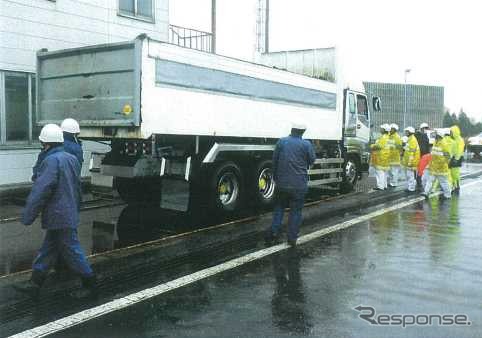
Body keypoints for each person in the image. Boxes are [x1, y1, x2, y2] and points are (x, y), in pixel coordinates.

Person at [13, 124, 96, 299]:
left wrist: (29, 214)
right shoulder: (70, 158)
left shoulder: (51, 161)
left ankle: (90, 283)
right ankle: (35, 283)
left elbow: (41, 190)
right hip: (67, 211)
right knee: (49, 249)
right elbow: (77, 187)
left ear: (46, 144)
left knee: (72, 250)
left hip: (59, 214)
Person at [266, 123, 316, 247]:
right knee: (296, 212)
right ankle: (292, 238)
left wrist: (275, 178)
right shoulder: (306, 144)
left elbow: (274, 161)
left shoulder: (281, 142)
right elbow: (312, 160)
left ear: (291, 130)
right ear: (302, 132)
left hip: (282, 184)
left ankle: (273, 232)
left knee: (279, 208)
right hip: (299, 185)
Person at [422, 129, 452, 200]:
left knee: (443, 182)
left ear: (439, 136)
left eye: (436, 135)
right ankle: (426, 193)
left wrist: (442, 164)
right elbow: (433, 154)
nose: (435, 136)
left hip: (441, 167)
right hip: (434, 166)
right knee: (430, 180)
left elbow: (447, 156)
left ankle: (448, 195)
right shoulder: (436, 142)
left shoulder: (444, 144)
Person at [370, 124, 391, 190]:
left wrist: (372, 146)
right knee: (384, 172)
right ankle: (384, 186)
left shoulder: (383, 138)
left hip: (381, 156)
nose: (380, 129)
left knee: (379, 172)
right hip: (386, 157)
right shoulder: (388, 137)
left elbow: (378, 146)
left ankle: (380, 186)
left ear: (384, 130)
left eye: (381, 128)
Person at [402, 127, 420, 192]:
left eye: (407, 131)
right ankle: (410, 187)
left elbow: (412, 152)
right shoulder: (410, 139)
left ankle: (411, 188)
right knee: (409, 175)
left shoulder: (412, 140)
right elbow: (408, 150)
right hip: (409, 160)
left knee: (410, 175)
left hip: (411, 161)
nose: (406, 132)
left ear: (410, 132)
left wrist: (410, 162)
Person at [449, 125, 465, 194]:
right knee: (451, 172)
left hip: (457, 158)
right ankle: (453, 185)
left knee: (455, 173)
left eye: (451, 132)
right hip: (452, 157)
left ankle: (457, 185)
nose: (450, 133)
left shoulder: (460, 139)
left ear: (454, 132)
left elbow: (460, 150)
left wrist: (456, 158)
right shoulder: (452, 139)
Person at [415, 122, 431, 189]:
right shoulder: (419, 135)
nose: (427, 129)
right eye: (425, 128)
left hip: (425, 155)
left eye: (427, 128)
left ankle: (420, 182)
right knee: (420, 169)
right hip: (420, 154)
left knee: (423, 169)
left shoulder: (427, 135)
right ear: (422, 129)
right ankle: (419, 182)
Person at [387, 123, 402, 187]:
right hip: (389, 156)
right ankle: (391, 182)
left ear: (395, 130)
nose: (390, 130)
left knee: (394, 171)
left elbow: (399, 147)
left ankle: (394, 183)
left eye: (391, 129)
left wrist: (399, 154)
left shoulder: (397, 137)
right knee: (390, 171)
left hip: (395, 157)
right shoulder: (389, 136)